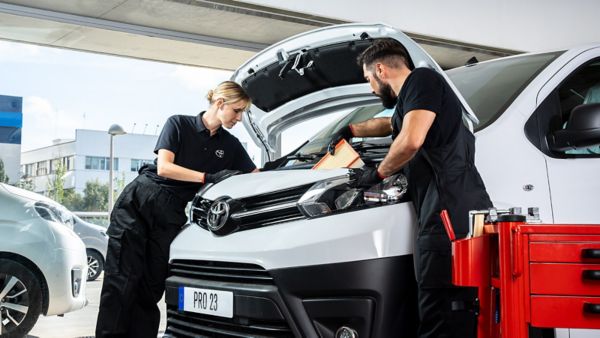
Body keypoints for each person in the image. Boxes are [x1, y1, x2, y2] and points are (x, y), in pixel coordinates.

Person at [331, 38, 493, 338]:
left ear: (380, 70)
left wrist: (376, 174)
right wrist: (351, 129)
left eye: (368, 79)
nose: (370, 88)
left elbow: (410, 140)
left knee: (442, 303)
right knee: (435, 299)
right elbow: (391, 124)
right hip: (443, 205)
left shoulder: (423, 78)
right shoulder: (414, 96)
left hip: (449, 209)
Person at [95, 81, 258, 338]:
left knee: (151, 287)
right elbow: (165, 168)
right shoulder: (179, 124)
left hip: (170, 213)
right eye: (237, 111)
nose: (239, 118)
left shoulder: (231, 145)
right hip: (140, 201)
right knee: (121, 281)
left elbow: (255, 176)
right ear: (220, 103)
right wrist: (208, 178)